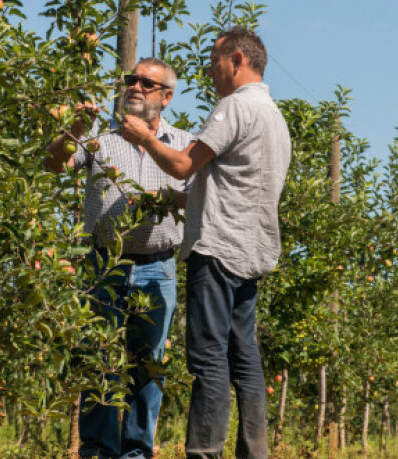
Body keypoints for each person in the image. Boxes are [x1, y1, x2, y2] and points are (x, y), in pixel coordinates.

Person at [121, 27, 291, 459]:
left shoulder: (233, 107)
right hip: (250, 252)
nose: (209, 68)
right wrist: (180, 201)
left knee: (208, 360)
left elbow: (181, 164)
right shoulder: (274, 116)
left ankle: (204, 453)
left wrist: (143, 137)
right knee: (244, 357)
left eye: (214, 59)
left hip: (216, 251)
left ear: (236, 60)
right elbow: (237, 184)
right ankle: (255, 452)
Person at [45, 57, 192, 459]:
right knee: (99, 359)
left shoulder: (183, 144)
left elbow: (201, 199)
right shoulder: (99, 138)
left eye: (147, 83)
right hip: (103, 264)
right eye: (131, 79)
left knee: (149, 365)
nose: (135, 86)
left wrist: (165, 200)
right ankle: (98, 451)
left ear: (166, 97)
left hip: (158, 265)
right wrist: (74, 129)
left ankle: (137, 452)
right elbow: (53, 164)